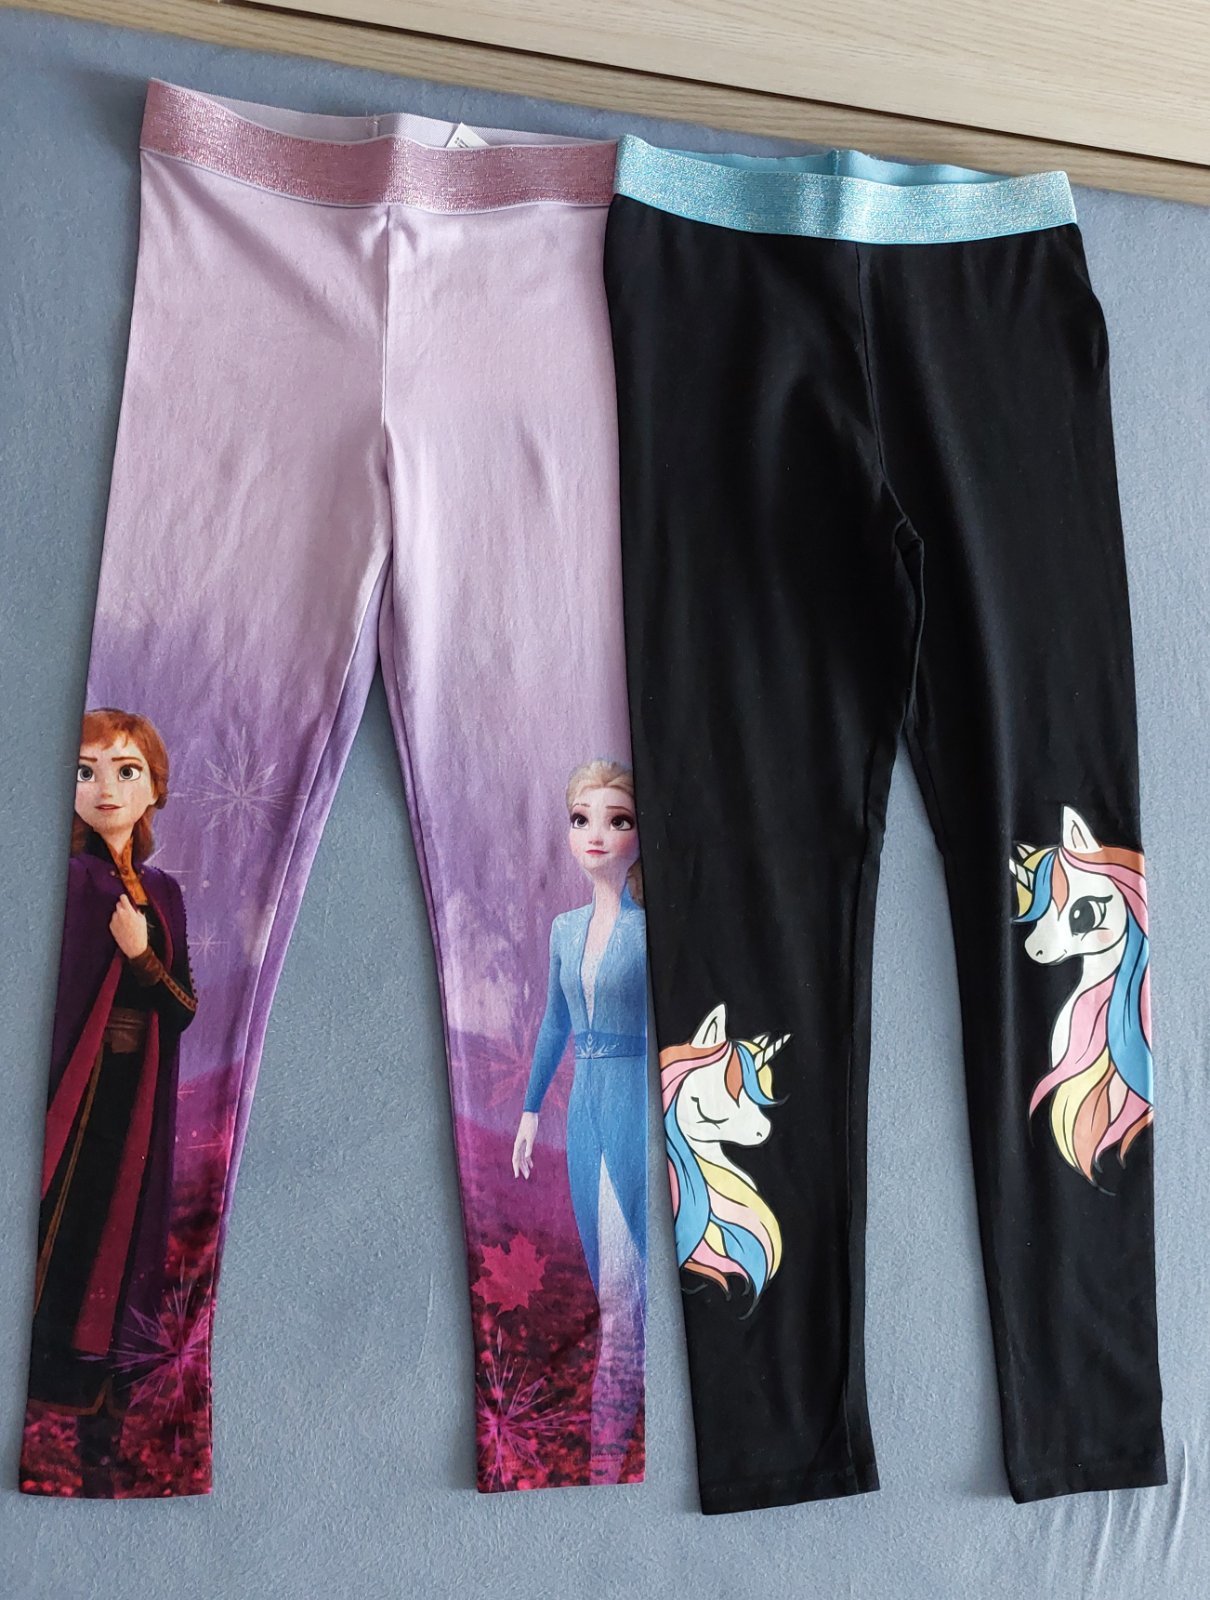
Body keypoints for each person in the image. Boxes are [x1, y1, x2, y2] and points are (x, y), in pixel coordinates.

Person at [26, 707, 197, 1495]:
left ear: (153, 787)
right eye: (85, 770)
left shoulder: (164, 893)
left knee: (115, 1235)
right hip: (72, 1087)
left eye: (126, 770)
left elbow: (183, 1008)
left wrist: (141, 956)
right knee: (55, 1225)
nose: (105, 787)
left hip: (135, 1096)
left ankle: (100, 1420)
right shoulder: (64, 880)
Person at [512, 758, 648, 1483]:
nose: (596, 833)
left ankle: (611, 1444)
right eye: (582, 818)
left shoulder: (651, 929)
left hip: (632, 1097)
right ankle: (607, 1445)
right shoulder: (565, 929)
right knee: (604, 1286)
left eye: (617, 819)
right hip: (581, 1112)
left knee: (626, 1289)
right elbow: (553, 1023)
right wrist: (530, 1109)